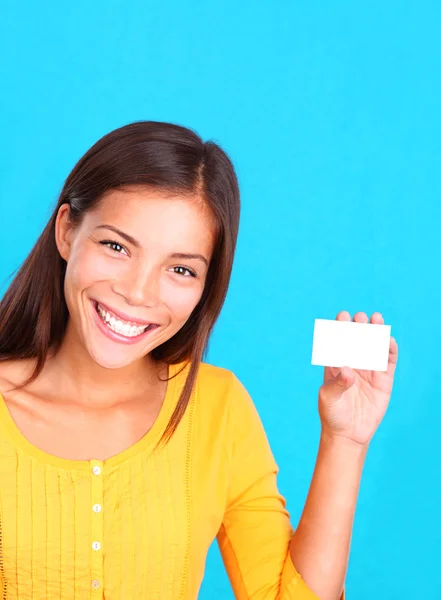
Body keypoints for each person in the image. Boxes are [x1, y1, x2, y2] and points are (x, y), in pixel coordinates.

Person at [0, 121, 398, 600]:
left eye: (181, 269)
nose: (138, 293)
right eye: (116, 246)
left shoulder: (218, 408)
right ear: (67, 231)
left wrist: (345, 441)